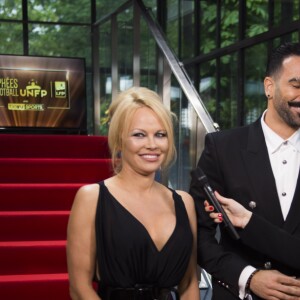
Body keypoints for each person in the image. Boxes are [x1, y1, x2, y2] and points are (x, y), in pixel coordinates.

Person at [189, 42, 300, 300]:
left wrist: (249, 222)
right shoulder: (223, 147)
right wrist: (247, 276)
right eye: (296, 85)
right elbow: (198, 234)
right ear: (269, 87)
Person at [67, 86, 200, 300]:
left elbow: (190, 282)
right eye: (139, 135)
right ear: (120, 141)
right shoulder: (92, 198)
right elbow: (80, 289)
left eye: (160, 135)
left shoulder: (184, 202)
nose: (152, 145)